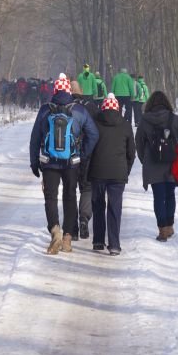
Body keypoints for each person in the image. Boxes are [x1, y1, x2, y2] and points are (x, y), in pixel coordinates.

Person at [29, 73, 99, 254]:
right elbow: (93, 134)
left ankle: (55, 230)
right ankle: (68, 238)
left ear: (55, 90)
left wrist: (34, 162)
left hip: (49, 162)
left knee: (50, 197)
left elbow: (35, 138)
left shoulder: (45, 109)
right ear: (69, 90)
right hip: (71, 163)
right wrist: (82, 153)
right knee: (70, 197)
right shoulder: (79, 110)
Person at [135, 89, 178, 241]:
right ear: (167, 103)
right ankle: (170, 226)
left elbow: (138, 142)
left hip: (153, 164)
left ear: (150, 104)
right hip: (172, 164)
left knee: (158, 197)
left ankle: (162, 229)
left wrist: (144, 159)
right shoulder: (174, 119)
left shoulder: (145, 120)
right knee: (170, 195)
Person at [89, 93, 135, 256]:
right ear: (118, 108)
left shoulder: (94, 123)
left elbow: (89, 148)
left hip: (97, 171)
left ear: (103, 108)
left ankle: (98, 241)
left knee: (98, 206)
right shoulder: (126, 125)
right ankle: (114, 244)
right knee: (115, 208)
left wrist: (87, 169)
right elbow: (131, 152)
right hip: (118, 173)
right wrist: (125, 170)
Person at [70, 80, 99, 239]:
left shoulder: (65, 106)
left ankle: (72, 226)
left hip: (69, 156)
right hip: (87, 154)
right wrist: (88, 152)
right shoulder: (91, 107)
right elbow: (96, 132)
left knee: (71, 189)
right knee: (87, 188)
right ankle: (84, 217)